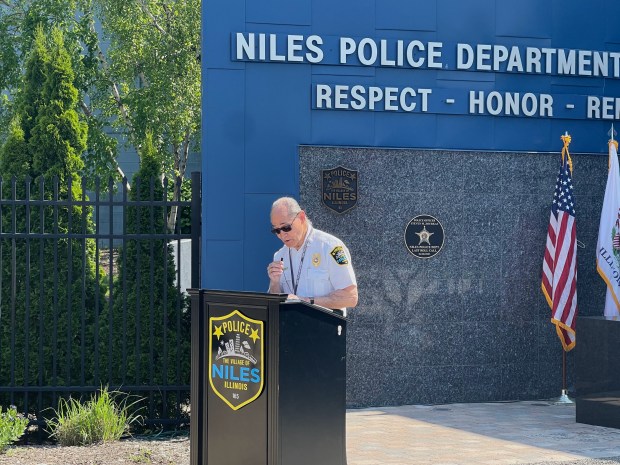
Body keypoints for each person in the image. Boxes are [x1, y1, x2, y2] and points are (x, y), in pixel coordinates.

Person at [267, 197, 358, 312]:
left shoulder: (331, 247)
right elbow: (276, 303)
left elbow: (350, 297)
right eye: (276, 230)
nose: (282, 235)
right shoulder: (280, 255)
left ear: (301, 217)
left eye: (286, 227)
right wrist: (274, 282)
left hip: (325, 326)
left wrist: (304, 301)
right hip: (290, 326)